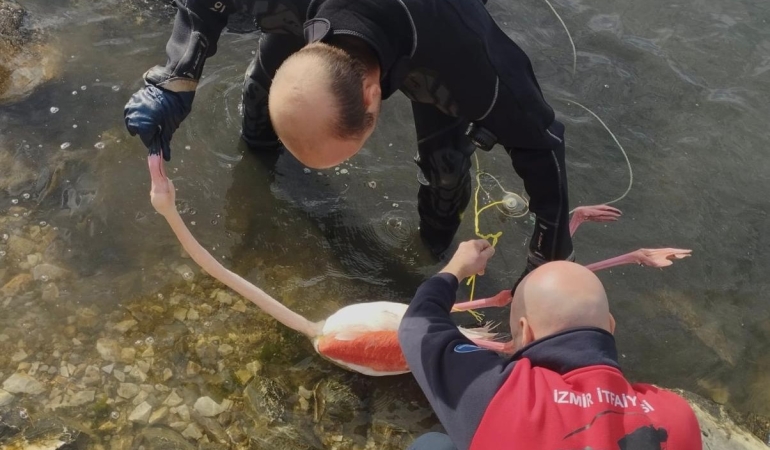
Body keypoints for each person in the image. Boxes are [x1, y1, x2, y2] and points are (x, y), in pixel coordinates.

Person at [123, 0, 575, 284]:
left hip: (427, 27)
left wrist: (547, 259)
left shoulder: (468, 60)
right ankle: (258, 150)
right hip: (309, 11)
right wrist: (176, 76)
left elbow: (543, 144)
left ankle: (429, 252)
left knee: (445, 168)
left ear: (372, 98)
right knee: (260, 92)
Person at [398, 239, 703, 450]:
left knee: (433, 445)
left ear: (525, 331)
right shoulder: (678, 415)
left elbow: (417, 325)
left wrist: (455, 268)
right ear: (611, 326)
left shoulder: (501, 395)